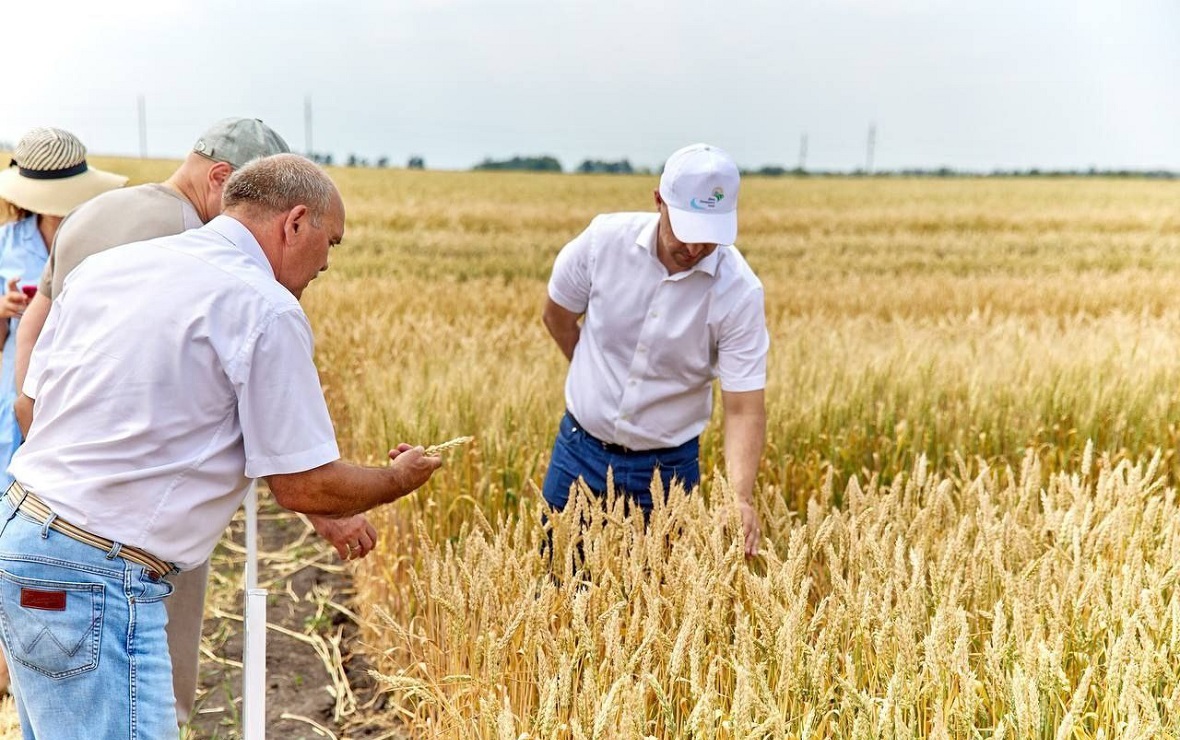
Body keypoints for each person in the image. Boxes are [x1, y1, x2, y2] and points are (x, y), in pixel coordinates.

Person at [0, 153, 443, 739]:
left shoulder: (114, 268)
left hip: (23, 540)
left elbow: (30, 408)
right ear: (295, 222)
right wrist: (399, 478)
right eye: (330, 243)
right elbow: (302, 482)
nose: (326, 265)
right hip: (97, 576)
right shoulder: (263, 307)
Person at [541, 143, 768, 557]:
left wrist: (740, 498)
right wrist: (591, 371)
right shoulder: (602, 244)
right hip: (579, 453)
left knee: (658, 608)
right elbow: (556, 316)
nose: (695, 249)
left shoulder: (740, 292)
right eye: (686, 230)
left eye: (709, 237)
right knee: (554, 587)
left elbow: (744, 407)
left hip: (668, 476)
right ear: (659, 201)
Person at [0, 128, 128, 482]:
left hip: (83, 378)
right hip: (16, 379)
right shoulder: (5, 243)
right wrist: (3, 308)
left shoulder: (108, 240)